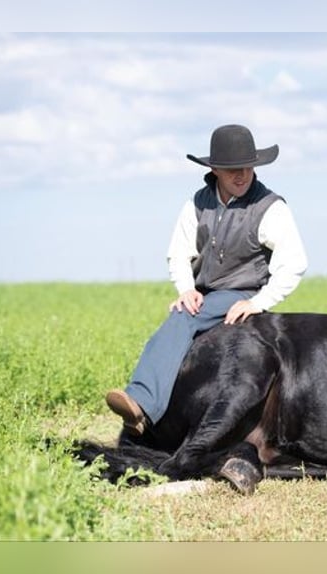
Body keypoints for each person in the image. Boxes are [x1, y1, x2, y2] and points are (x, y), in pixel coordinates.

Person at [105, 124, 308, 435]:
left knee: (184, 319)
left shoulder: (270, 208)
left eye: (247, 167)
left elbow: (294, 263)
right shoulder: (197, 203)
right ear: (214, 169)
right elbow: (178, 253)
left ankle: (142, 402)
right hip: (205, 292)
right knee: (184, 309)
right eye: (232, 170)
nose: (242, 176)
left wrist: (257, 302)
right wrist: (186, 289)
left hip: (243, 291)